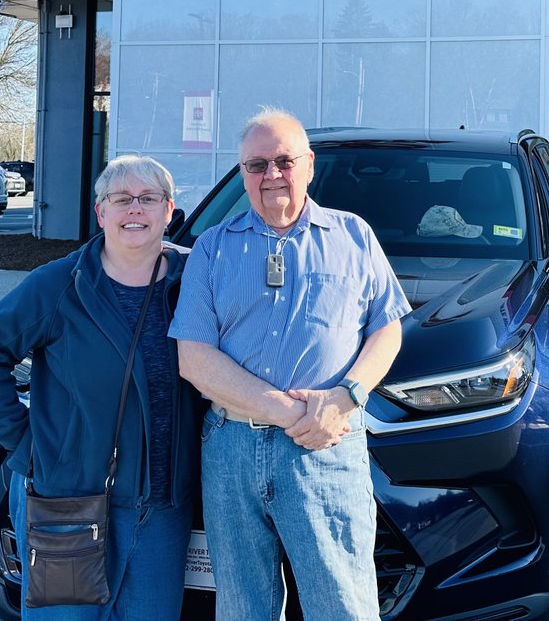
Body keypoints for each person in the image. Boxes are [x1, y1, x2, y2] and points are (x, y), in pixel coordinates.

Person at [170, 108, 410, 621]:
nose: (271, 175)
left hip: (328, 447)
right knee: (242, 608)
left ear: (309, 166)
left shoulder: (353, 237)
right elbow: (193, 356)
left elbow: (387, 329)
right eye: (256, 165)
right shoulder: (212, 248)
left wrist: (347, 396)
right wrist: (287, 411)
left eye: (283, 161)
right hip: (231, 449)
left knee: (342, 604)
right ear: (242, 175)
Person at [0, 155, 199, 620]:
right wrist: (24, 441)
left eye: (148, 199)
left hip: (162, 511)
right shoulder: (61, 283)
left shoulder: (195, 280)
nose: (135, 209)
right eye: (121, 199)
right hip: (68, 502)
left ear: (169, 210)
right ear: (101, 211)